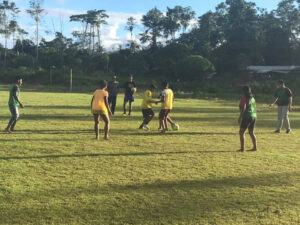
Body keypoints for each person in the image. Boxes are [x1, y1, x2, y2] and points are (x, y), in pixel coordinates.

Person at [237, 86, 257, 152]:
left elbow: (244, 108)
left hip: (247, 116)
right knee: (251, 132)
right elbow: (254, 107)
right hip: (254, 116)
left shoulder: (244, 98)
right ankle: (255, 147)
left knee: (241, 132)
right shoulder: (253, 98)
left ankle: (242, 148)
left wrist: (240, 117)